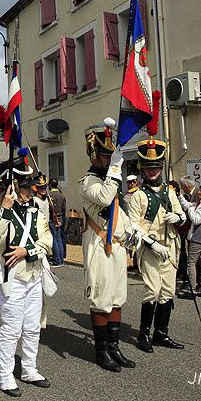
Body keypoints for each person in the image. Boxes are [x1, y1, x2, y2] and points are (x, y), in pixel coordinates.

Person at [0, 156, 53, 397]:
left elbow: (47, 242)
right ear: (13, 187)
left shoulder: (36, 212)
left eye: (30, 186)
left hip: (34, 277)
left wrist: (27, 251)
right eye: (25, 187)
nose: (30, 191)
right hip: (11, 279)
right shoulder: (0, 212)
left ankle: (29, 369)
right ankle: (5, 375)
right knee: (11, 329)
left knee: (33, 327)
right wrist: (4, 209)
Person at [79, 118, 137, 372]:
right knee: (101, 299)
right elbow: (104, 198)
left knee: (116, 298)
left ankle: (114, 347)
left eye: (110, 155)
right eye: (104, 155)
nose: (108, 159)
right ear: (94, 156)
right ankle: (101, 351)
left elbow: (119, 213)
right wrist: (115, 170)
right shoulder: (89, 182)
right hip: (99, 246)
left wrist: (133, 234)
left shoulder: (110, 182)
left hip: (116, 246)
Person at [127, 138, 186, 353]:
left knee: (168, 291)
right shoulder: (138, 196)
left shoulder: (170, 193)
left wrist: (177, 218)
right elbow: (133, 227)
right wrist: (152, 244)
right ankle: (144, 333)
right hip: (151, 249)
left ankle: (161, 333)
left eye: (156, 167)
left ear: (161, 168)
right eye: (148, 168)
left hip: (170, 246)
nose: (152, 172)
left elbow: (182, 214)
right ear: (142, 169)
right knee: (152, 290)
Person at [176, 182, 201, 298]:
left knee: (191, 263)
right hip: (200, 238)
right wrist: (179, 195)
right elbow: (188, 205)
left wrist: (190, 211)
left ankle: (191, 290)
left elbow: (196, 219)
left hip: (197, 238)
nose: (198, 192)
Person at [48, 178, 66, 268]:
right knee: (59, 239)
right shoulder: (61, 196)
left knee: (54, 239)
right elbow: (64, 208)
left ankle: (57, 260)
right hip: (60, 217)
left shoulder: (50, 195)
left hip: (53, 218)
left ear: (50, 185)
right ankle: (61, 258)